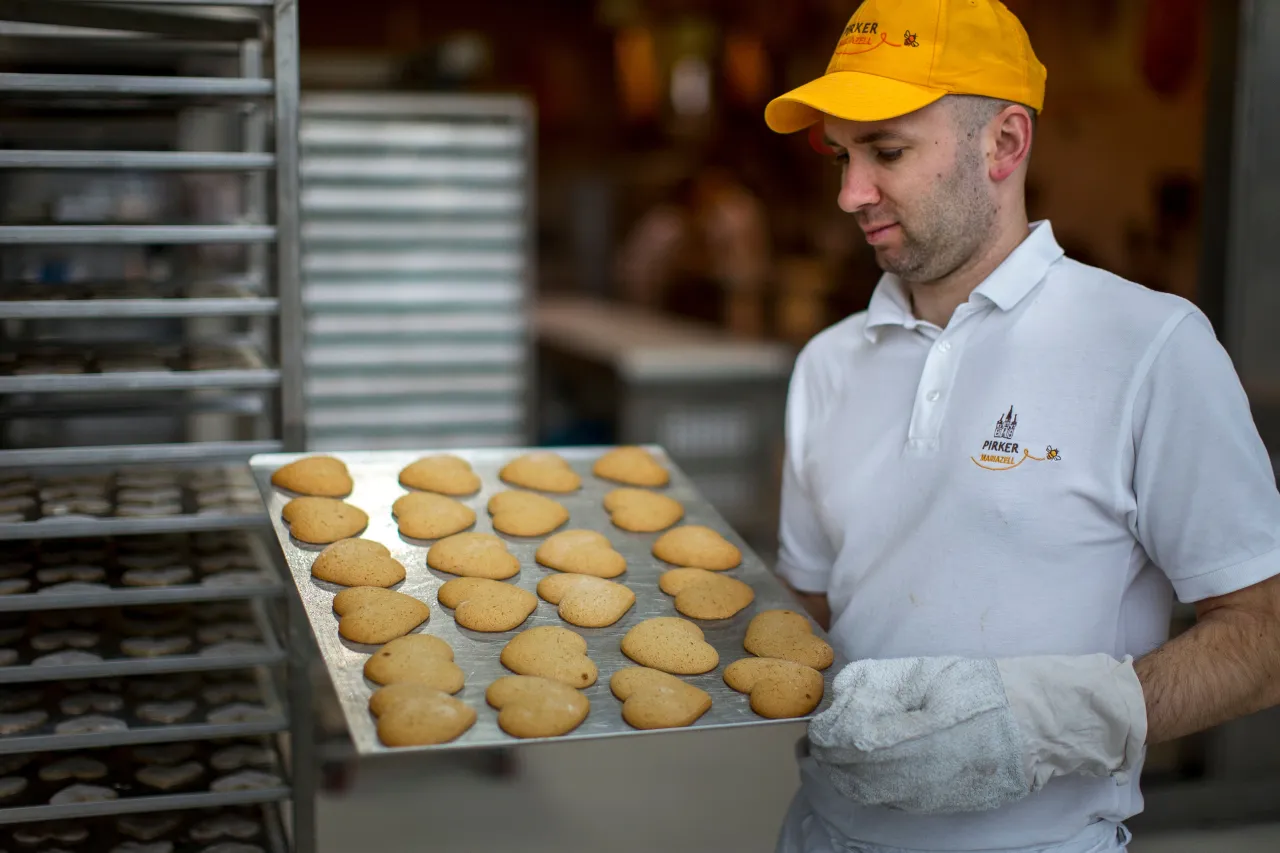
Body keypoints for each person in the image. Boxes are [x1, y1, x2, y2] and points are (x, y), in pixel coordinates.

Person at [762, 2, 1280, 852]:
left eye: (887, 151)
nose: (851, 193)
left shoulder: (1148, 346)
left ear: (1003, 144)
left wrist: (1044, 722)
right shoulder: (827, 362)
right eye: (841, 155)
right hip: (822, 834)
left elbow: (1263, 636)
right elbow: (811, 616)